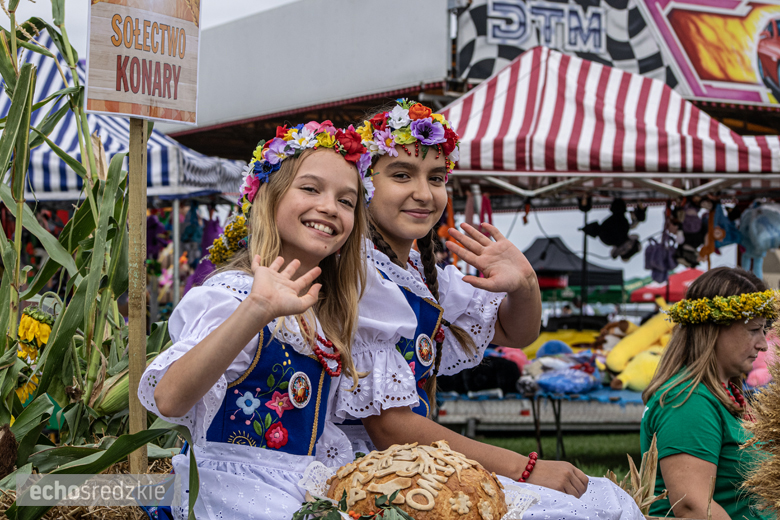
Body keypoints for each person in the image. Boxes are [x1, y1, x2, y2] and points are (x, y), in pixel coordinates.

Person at [335, 100, 644, 519]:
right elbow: (390, 426)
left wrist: (525, 283)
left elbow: (515, 333)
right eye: (401, 175)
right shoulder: (361, 273)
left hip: (410, 467)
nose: (424, 194)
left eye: (437, 178)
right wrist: (523, 468)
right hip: (367, 474)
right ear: (362, 184)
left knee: (604, 501)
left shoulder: (420, 276)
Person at [137, 121, 372, 520]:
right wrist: (255, 310)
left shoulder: (322, 311)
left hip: (299, 489)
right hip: (232, 493)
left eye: (347, 201)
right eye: (311, 189)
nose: (330, 207)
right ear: (268, 198)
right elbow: (170, 398)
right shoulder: (233, 294)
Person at [641, 267, 776, 519]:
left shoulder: (721, 392)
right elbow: (693, 508)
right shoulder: (687, 402)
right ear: (715, 329)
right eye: (753, 330)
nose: (763, 343)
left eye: (763, 330)